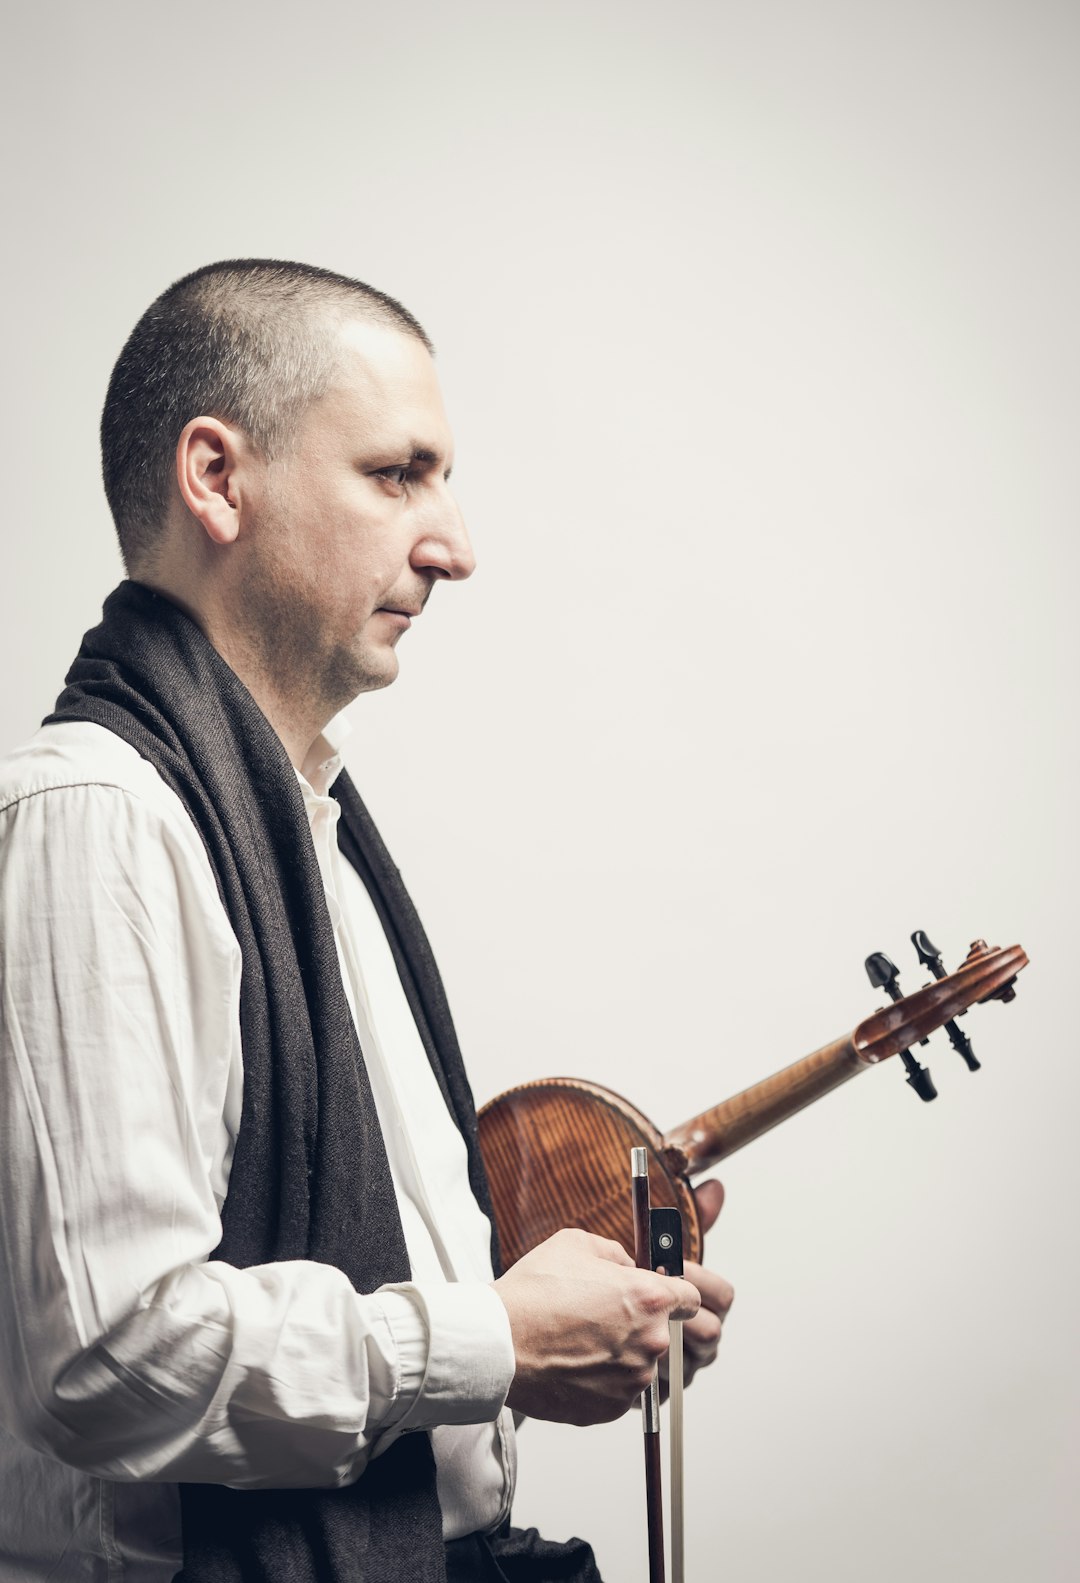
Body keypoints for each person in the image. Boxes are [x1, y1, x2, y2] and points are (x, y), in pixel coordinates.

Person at [0, 259, 734, 1582]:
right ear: (219, 480)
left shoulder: (308, 825)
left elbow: (386, 1299)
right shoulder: (103, 816)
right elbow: (113, 1362)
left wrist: (563, 1324)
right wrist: (493, 1342)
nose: (453, 544)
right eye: (400, 475)